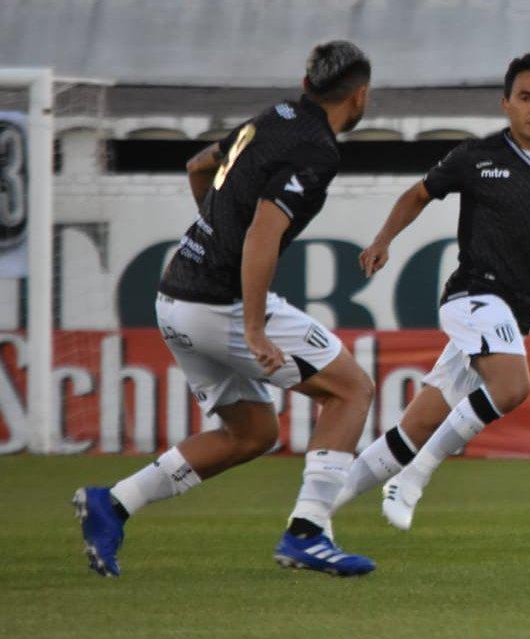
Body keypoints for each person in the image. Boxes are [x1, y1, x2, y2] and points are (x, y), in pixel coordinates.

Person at [73, 41, 377, 578]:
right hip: (219, 306)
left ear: (306, 85)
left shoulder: (273, 117)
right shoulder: (317, 149)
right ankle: (307, 533)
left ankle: (113, 504)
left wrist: (217, 235)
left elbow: (198, 167)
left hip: (174, 299)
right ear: (359, 96)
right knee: (351, 390)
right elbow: (263, 233)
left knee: (252, 433)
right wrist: (255, 329)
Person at [342, 53, 530, 530]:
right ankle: (411, 481)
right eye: (525, 97)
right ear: (506, 103)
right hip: (472, 297)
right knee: (513, 386)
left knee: (416, 427)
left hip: (512, 315)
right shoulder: (475, 156)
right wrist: (383, 240)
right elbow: (418, 194)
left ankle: (316, 509)